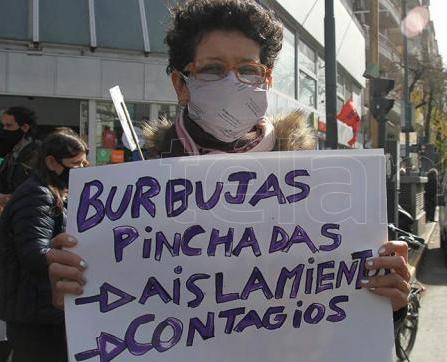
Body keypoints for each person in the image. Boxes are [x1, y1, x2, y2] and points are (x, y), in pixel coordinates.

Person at [46, 0, 411, 341]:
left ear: (266, 81)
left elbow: (347, 328)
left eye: (248, 70)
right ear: (181, 84)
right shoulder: (133, 196)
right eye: (213, 69)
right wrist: (76, 290)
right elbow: (111, 323)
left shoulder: (325, 183)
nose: (232, 82)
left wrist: (390, 305)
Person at [0, 128, 88, 362]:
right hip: (34, 313)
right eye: (75, 163)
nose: (81, 169)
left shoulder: (49, 192)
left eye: (84, 162)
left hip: (40, 310)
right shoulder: (37, 196)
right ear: (52, 162)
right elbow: (32, 253)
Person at [0, 106, 39, 212]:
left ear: (25, 127)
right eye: (3, 126)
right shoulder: (10, 155)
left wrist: (9, 198)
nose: (4, 130)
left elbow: (37, 191)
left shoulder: (38, 154)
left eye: (9, 126)